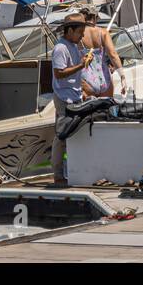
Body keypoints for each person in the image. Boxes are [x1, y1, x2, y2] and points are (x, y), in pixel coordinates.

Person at [50, 13, 91, 186]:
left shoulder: (74, 45)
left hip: (74, 96)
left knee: (71, 135)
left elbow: (75, 72)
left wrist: (83, 88)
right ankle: (58, 174)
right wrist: (82, 65)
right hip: (63, 98)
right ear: (70, 30)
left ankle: (72, 171)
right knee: (61, 137)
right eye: (80, 31)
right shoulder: (60, 48)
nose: (83, 35)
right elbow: (59, 74)